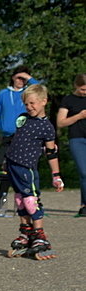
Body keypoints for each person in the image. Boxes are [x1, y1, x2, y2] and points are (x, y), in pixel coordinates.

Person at [5, 84, 64, 259]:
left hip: (27, 168)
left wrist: (56, 176)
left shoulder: (47, 127)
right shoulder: (23, 118)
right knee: (20, 200)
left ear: (43, 101)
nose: (29, 107)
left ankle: (40, 235)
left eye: (32, 103)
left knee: (31, 200)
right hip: (12, 165)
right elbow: (16, 140)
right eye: (26, 104)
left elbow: (51, 152)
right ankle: (26, 232)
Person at [0, 66, 38, 214]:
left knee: (27, 168)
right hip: (8, 135)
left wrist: (29, 79)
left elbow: (40, 89)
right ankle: (0, 199)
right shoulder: (4, 94)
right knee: (6, 168)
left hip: (25, 135)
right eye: (19, 78)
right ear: (13, 77)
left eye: (24, 79)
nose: (21, 81)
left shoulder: (28, 94)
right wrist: (1, 126)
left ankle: (32, 199)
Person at [56, 74, 86, 218]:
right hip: (77, 139)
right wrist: (79, 116)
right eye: (83, 89)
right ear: (76, 86)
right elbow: (60, 122)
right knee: (84, 172)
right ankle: (84, 205)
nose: (85, 92)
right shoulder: (68, 100)